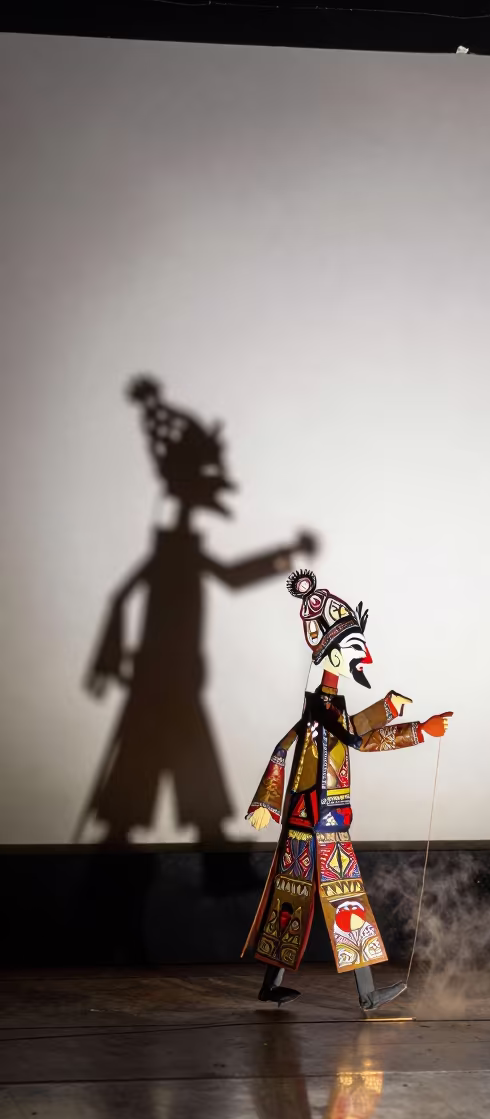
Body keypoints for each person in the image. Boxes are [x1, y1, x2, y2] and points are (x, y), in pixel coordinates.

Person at [80, 376, 316, 845]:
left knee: (170, 750)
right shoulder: (174, 552)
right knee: (162, 750)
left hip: (173, 672)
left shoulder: (179, 550)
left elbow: (229, 577)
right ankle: (161, 834)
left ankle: (185, 833)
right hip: (161, 673)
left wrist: (286, 557)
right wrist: (109, 661)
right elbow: (124, 597)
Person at [242, 568, 452, 1012]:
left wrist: (401, 716)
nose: (364, 658)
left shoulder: (328, 705)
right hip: (318, 820)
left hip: (319, 817)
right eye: (356, 648)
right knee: (338, 899)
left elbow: (349, 731)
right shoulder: (321, 705)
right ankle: (366, 995)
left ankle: (277, 986)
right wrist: (266, 800)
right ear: (332, 653)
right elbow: (354, 739)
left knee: (298, 896)